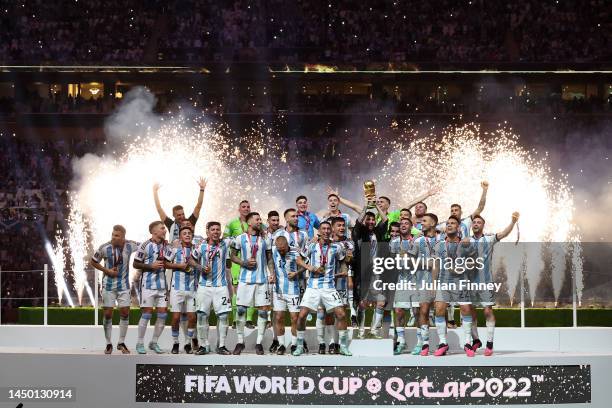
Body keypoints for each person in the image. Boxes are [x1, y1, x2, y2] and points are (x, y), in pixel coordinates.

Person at [293, 221, 351, 356]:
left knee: (341, 314)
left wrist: (344, 271)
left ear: (331, 231)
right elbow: (299, 260)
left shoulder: (337, 247)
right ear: (319, 231)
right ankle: (300, 345)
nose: (326, 231)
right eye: (323, 229)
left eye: (328, 229)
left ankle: (343, 346)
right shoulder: (312, 245)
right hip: (312, 286)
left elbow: (342, 262)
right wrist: (311, 268)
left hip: (329, 287)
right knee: (301, 316)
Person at [436, 181, 489, 329]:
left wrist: (484, 191)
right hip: (448, 266)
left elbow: (480, 208)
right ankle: (451, 322)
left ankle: (471, 334)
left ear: (461, 212)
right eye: (452, 209)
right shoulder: (444, 225)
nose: (453, 212)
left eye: (456, 210)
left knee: (467, 303)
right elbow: (428, 228)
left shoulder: (466, 222)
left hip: (465, 266)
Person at [468, 212, 519, 356]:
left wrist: (513, 222)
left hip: (485, 282)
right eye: (474, 222)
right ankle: (476, 340)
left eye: (479, 222)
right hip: (469, 283)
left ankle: (489, 343)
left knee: (487, 311)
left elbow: (503, 233)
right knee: (470, 313)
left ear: (483, 225)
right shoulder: (465, 241)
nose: (476, 224)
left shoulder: (489, 238)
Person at [89, 225, 139, 354]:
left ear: (123, 237)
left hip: (124, 286)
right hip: (108, 286)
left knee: (125, 313)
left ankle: (121, 342)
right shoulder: (104, 247)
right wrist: (107, 271)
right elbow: (93, 261)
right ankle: (108, 343)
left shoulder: (130, 245)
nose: (113, 237)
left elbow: (144, 246)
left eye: (117, 235)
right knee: (108, 314)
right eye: (113, 234)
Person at [229, 212, 274, 355]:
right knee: (241, 310)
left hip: (261, 280)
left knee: (262, 311)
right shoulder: (240, 238)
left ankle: (259, 343)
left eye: (260, 219)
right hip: (245, 280)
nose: (260, 221)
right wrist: (244, 262)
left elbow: (269, 258)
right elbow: (232, 256)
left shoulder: (265, 240)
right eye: (257, 219)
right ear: (249, 222)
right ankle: (240, 342)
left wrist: (271, 273)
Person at [431, 216, 476, 357]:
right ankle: (443, 343)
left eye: (453, 223)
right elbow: (435, 266)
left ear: (458, 228)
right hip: (443, 282)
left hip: (461, 281)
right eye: (448, 223)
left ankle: (467, 342)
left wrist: (461, 267)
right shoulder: (439, 245)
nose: (449, 225)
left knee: (466, 309)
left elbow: (473, 264)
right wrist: (433, 284)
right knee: (439, 310)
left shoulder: (465, 244)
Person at [190, 221, 234, 355]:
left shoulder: (225, 243)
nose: (216, 232)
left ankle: (221, 345)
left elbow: (242, 236)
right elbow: (191, 260)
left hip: (221, 286)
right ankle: (204, 345)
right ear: (207, 232)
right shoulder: (201, 246)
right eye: (213, 230)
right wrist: (200, 267)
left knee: (224, 316)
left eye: (218, 230)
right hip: (204, 286)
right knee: (202, 316)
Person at [133, 221, 168, 354]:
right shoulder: (145, 245)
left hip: (162, 286)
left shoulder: (167, 245)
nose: (165, 230)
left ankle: (154, 342)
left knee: (163, 314)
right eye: (162, 228)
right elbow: (136, 264)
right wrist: (150, 266)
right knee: (147, 314)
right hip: (148, 285)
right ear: (154, 232)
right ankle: (140, 342)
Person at [406, 213, 439, 356]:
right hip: (423, 281)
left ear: (433, 224)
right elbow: (408, 261)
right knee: (423, 311)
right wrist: (425, 263)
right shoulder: (418, 240)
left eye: (424, 221)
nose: (421, 223)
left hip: (441, 281)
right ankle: (423, 343)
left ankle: (443, 343)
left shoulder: (442, 240)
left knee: (441, 313)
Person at [270, 235, 310, 355]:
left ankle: (294, 344)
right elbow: (270, 261)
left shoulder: (296, 251)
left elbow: (307, 263)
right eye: (279, 249)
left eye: (283, 249)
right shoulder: (273, 250)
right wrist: (272, 274)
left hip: (293, 290)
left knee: (295, 318)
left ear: (287, 245)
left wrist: (297, 272)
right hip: (278, 291)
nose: (281, 251)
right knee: (278, 317)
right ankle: (281, 344)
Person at [163, 226, 197, 354]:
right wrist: (179, 266)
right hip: (176, 289)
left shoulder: (196, 249)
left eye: (189, 233)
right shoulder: (174, 250)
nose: (187, 235)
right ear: (180, 237)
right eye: (185, 233)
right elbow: (165, 263)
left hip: (192, 289)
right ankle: (176, 343)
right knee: (176, 317)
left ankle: (188, 343)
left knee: (192, 318)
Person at [224, 200, 257, 329]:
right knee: (236, 290)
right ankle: (235, 319)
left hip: (253, 261)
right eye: (243, 207)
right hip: (237, 261)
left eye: (248, 207)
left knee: (252, 289)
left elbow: (266, 232)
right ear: (239, 209)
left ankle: (248, 319)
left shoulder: (255, 221)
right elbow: (225, 238)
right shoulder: (232, 223)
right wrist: (237, 240)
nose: (246, 208)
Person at [389, 218, 416, 355]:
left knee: (419, 313)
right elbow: (389, 261)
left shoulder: (418, 241)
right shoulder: (394, 242)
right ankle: (401, 341)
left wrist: (407, 256)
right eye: (402, 224)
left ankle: (423, 343)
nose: (403, 225)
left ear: (412, 226)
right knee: (399, 311)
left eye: (407, 223)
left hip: (417, 281)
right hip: (401, 281)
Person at [153, 177, 206, 242]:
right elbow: (159, 209)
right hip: (175, 250)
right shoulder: (170, 224)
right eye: (179, 215)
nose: (182, 216)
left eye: (183, 214)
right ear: (174, 215)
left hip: (190, 250)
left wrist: (202, 189)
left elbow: (198, 206)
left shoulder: (190, 221)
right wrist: (155, 192)